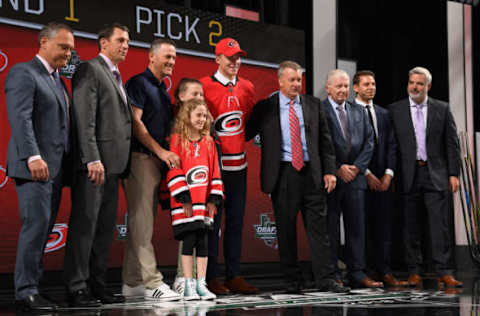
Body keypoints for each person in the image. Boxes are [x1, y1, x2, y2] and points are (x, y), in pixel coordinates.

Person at [246, 61, 350, 294]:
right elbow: (245, 131)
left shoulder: (313, 104)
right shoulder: (266, 107)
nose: (296, 84)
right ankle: (292, 281)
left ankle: (326, 278)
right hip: (283, 175)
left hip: (312, 174)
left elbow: (325, 141)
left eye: (299, 80)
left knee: (319, 230)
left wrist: (330, 171)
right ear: (280, 81)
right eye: (292, 80)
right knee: (286, 230)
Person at [5, 22, 74, 311]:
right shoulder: (24, 72)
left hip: (55, 170)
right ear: (43, 42)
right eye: (63, 47)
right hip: (34, 167)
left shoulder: (57, 79)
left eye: (71, 49)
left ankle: (34, 286)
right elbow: (20, 118)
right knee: (35, 228)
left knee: (43, 230)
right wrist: (32, 156)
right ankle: (26, 291)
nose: (68, 54)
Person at [64, 23, 132, 307]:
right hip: (94, 166)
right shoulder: (89, 69)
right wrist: (92, 157)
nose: (126, 45)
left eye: (128, 41)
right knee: (85, 227)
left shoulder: (116, 75)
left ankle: (97, 285)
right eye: (120, 40)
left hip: (114, 166)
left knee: (104, 229)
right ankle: (76, 287)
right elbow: (84, 118)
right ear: (103, 43)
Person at [389, 66, 462, 288]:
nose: (415, 87)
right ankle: (414, 271)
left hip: (435, 174)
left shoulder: (442, 108)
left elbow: (452, 144)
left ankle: (444, 271)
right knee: (410, 226)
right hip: (408, 175)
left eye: (420, 83)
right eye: (412, 82)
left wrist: (453, 173)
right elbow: (392, 147)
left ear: (428, 86)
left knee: (439, 226)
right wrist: (390, 173)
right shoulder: (396, 110)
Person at [120, 38, 181, 301]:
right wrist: (161, 152)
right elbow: (135, 123)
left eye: (174, 57)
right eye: (167, 57)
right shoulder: (138, 83)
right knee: (142, 223)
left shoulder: (162, 90)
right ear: (152, 58)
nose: (171, 62)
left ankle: (132, 282)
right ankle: (152, 282)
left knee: (142, 225)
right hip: (141, 159)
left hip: (157, 162)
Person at [200, 37, 258, 295]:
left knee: (236, 223)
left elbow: (249, 125)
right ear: (218, 59)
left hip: (239, 167)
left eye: (238, 57)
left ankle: (234, 274)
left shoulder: (247, 87)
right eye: (229, 57)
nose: (235, 62)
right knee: (213, 223)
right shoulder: (203, 86)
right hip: (215, 167)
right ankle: (211, 276)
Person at [322, 69, 381, 288]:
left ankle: (357, 272)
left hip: (355, 179)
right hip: (332, 179)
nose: (343, 90)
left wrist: (356, 168)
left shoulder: (358, 111)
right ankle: (333, 274)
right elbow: (319, 144)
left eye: (346, 86)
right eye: (338, 86)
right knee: (331, 230)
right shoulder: (320, 110)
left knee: (357, 228)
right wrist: (337, 168)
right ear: (328, 87)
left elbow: (369, 142)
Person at [352, 70, 407, 287]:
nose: (371, 87)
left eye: (373, 84)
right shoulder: (348, 110)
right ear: (356, 87)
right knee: (361, 227)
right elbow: (349, 146)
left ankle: (385, 271)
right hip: (360, 177)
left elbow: (393, 145)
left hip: (383, 179)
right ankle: (363, 272)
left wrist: (388, 174)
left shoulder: (384, 114)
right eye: (366, 84)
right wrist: (365, 173)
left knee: (384, 227)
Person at [167, 99, 224, 300]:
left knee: (203, 242)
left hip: (204, 203)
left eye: (204, 115)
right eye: (198, 115)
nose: (202, 119)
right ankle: (188, 284)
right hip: (187, 204)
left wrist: (213, 199)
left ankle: (202, 284)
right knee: (188, 240)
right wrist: (184, 198)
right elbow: (174, 169)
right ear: (187, 117)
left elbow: (215, 170)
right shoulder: (177, 140)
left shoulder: (209, 142)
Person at [171, 78, 206, 295]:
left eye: (201, 95)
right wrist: (182, 192)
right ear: (181, 96)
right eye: (195, 94)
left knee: (199, 234)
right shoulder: (176, 130)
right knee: (186, 232)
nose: (199, 98)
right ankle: (182, 278)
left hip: (200, 194)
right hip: (179, 190)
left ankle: (195, 281)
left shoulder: (205, 134)